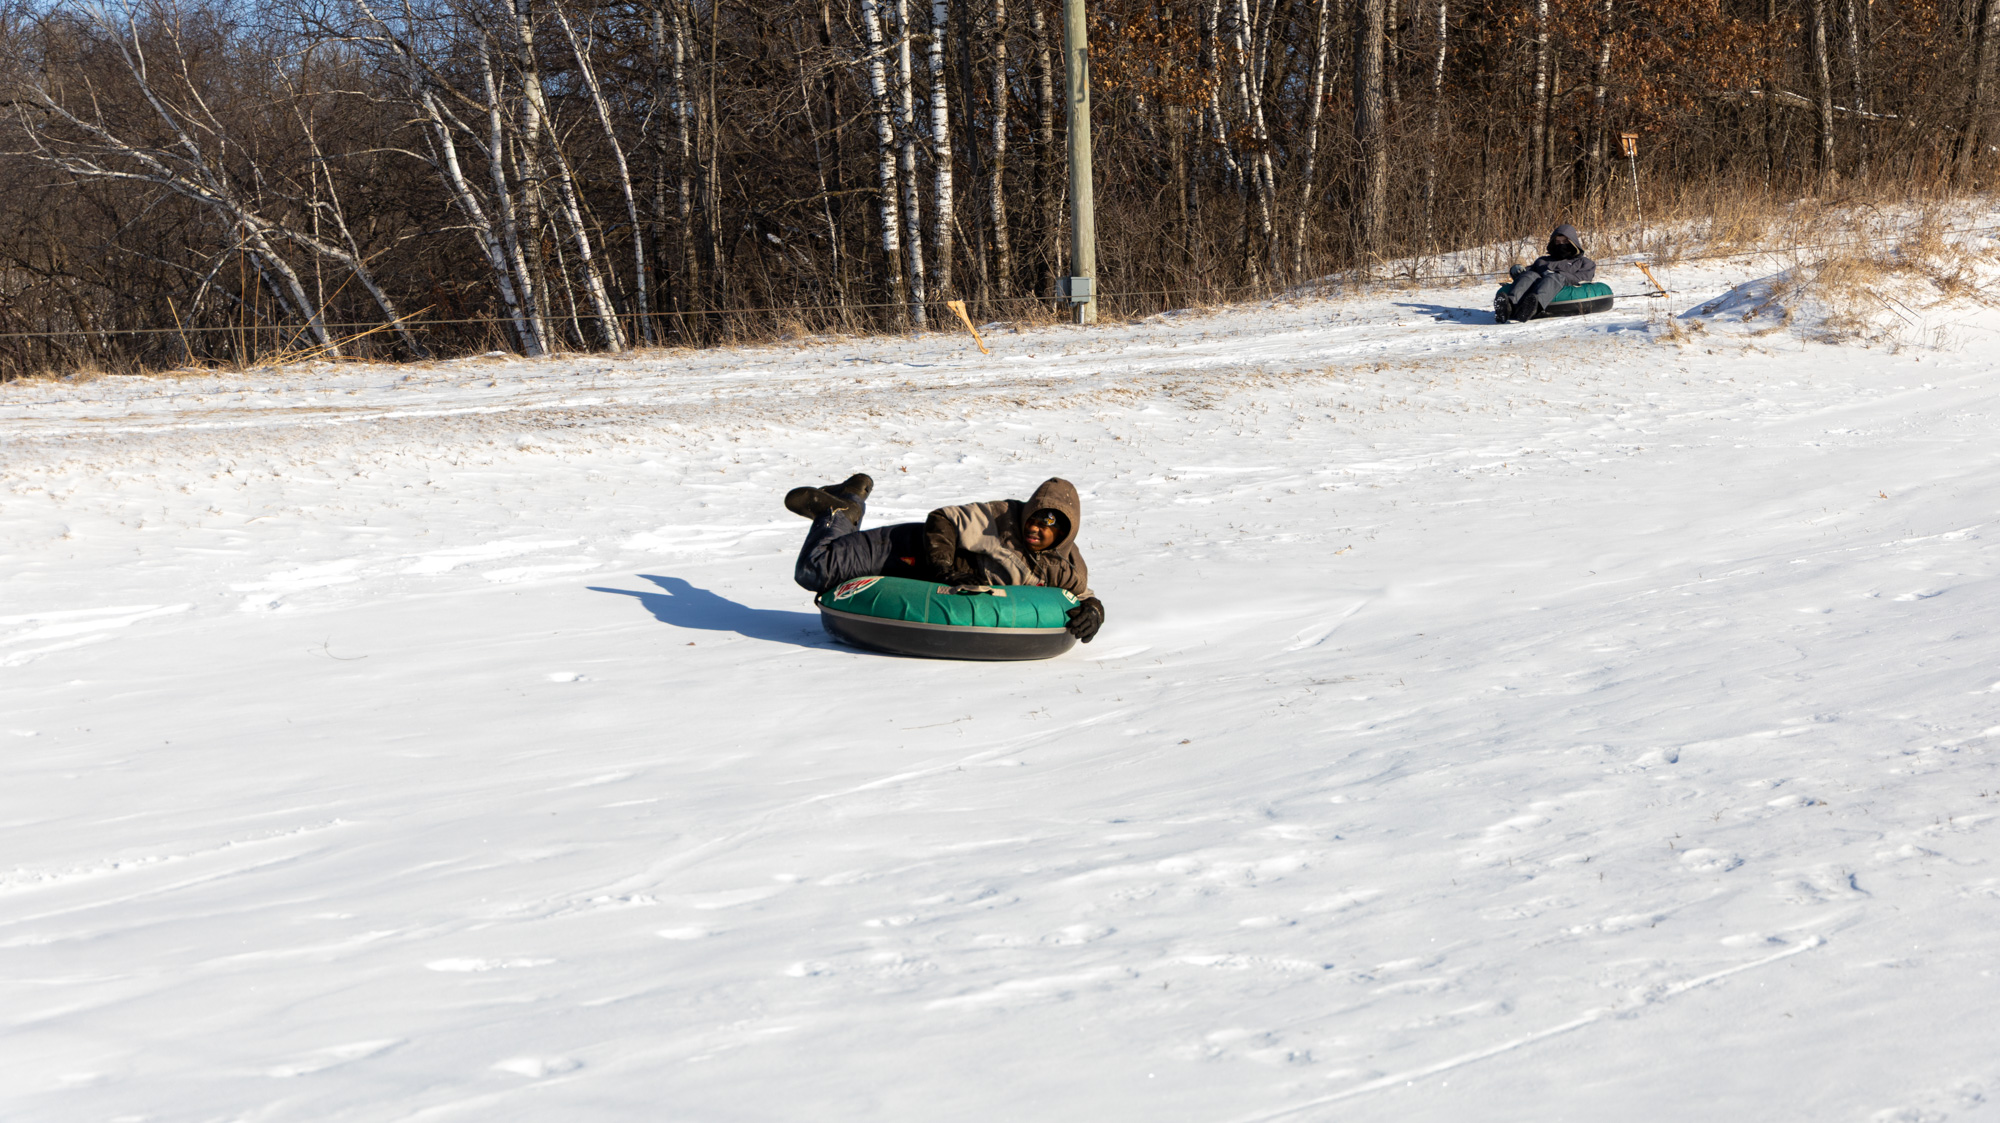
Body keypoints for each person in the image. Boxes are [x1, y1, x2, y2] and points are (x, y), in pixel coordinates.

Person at [786, 473, 1105, 642]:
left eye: (1047, 525)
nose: (1035, 528)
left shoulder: (1067, 566)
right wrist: (945, 568)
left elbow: (1082, 596)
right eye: (1034, 518)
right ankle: (843, 508)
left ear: (1065, 531)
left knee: (828, 569)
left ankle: (847, 510)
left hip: (920, 580)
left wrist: (1094, 612)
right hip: (905, 548)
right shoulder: (1003, 518)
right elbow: (943, 519)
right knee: (815, 569)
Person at [1501, 223, 1596, 322]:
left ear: (1573, 243)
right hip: (1539, 282)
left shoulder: (1583, 262)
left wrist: (1557, 274)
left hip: (1560, 283)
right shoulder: (1543, 261)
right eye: (1558, 242)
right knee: (1529, 275)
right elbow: (1530, 271)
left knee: (1553, 278)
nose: (1561, 245)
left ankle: (1533, 307)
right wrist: (1518, 271)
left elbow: (1584, 277)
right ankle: (1509, 306)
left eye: (1565, 242)